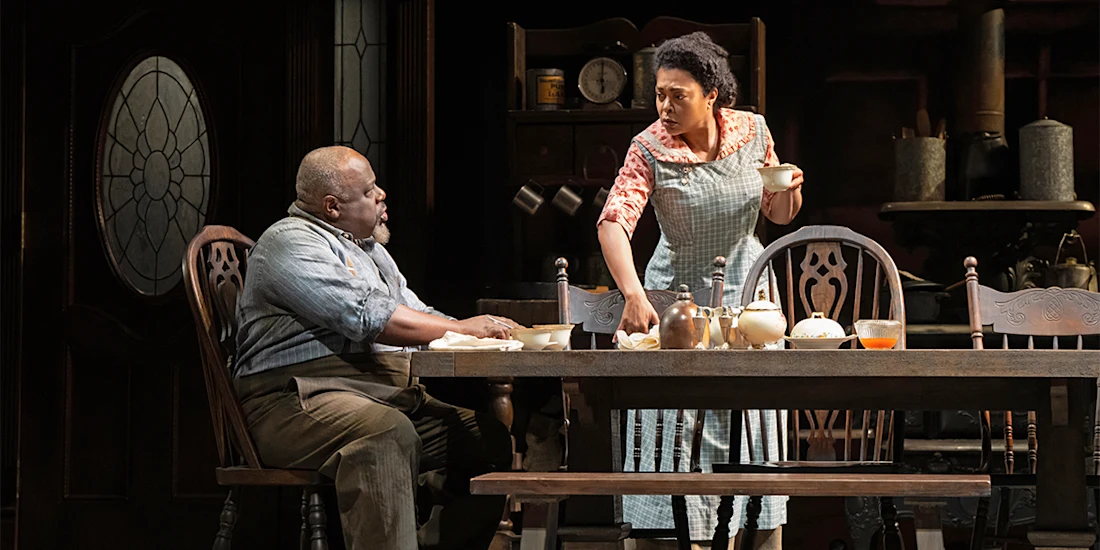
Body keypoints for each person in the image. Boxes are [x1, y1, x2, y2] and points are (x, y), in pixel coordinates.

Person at [233, 145, 519, 550]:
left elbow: (419, 314)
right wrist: (462, 328)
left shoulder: (371, 251)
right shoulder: (289, 242)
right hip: (291, 401)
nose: (382, 194)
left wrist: (489, 332)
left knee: (485, 441)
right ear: (332, 206)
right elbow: (367, 315)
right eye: (369, 191)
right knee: (385, 435)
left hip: (376, 393)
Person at [595, 32, 804, 550]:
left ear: (711, 94)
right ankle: (672, 537)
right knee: (680, 427)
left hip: (747, 291)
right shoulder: (649, 146)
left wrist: (789, 192)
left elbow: (775, 214)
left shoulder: (753, 132)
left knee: (752, 423)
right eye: (659, 94)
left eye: (678, 95)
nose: (665, 106)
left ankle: (758, 534)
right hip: (678, 298)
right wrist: (634, 294)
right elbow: (614, 222)